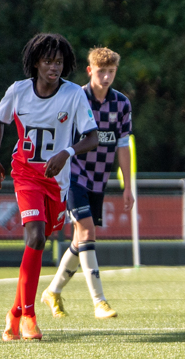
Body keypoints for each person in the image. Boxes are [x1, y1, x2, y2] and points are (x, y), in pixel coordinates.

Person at [0, 33, 98, 341]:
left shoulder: (74, 95)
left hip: (56, 183)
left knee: (40, 240)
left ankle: (13, 313)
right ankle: (29, 316)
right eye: (48, 61)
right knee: (35, 235)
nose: (54, 67)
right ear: (36, 62)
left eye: (59, 61)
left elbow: (92, 137)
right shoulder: (19, 91)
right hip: (25, 175)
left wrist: (67, 152)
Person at [42, 47, 134, 319]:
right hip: (72, 177)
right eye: (101, 71)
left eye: (111, 72)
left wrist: (127, 185)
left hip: (99, 180)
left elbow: (123, 145)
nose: (106, 77)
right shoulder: (75, 98)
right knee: (88, 232)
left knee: (81, 238)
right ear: (90, 70)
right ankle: (99, 301)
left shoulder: (122, 104)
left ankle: (52, 291)